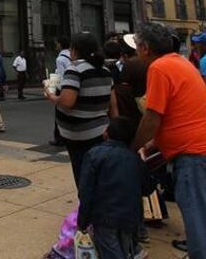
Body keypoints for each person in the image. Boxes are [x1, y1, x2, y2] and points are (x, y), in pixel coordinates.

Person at [133, 22, 206, 259]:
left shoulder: (159, 68)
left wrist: (132, 148)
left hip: (197, 162)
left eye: (137, 46)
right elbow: (180, 114)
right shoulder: (181, 63)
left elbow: (152, 117)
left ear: (145, 48)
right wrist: (155, 143)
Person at [43, 32, 112, 182]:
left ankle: (86, 196)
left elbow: (67, 101)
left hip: (80, 134)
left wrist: (51, 95)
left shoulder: (75, 69)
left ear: (75, 50)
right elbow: (111, 102)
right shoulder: (105, 70)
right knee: (98, 173)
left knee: (83, 174)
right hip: (101, 130)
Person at [76, 117, 147, 259]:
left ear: (105, 133)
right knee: (123, 249)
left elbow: (86, 192)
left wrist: (82, 221)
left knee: (110, 251)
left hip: (104, 216)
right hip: (129, 217)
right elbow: (147, 188)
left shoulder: (94, 155)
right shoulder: (134, 159)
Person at [50, 36, 72, 147]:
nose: (56, 45)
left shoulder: (60, 59)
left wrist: (53, 87)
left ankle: (59, 138)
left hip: (63, 88)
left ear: (60, 44)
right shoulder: (71, 55)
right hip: (73, 85)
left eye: (57, 43)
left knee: (59, 114)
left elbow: (62, 77)